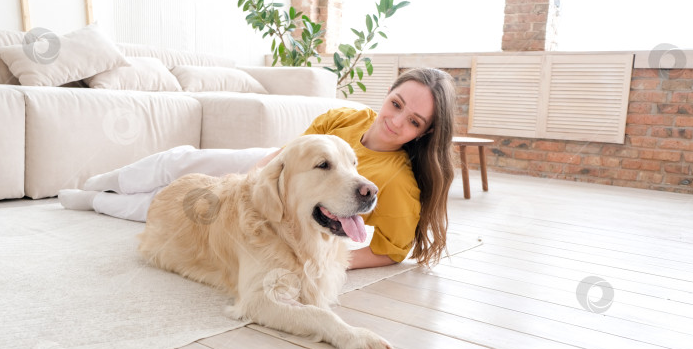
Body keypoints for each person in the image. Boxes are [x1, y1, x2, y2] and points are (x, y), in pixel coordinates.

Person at [59, 67, 457, 269]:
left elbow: (393, 252)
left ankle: (95, 201)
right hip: (269, 170)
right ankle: (108, 181)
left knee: (172, 208)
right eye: (397, 104)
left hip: (287, 211)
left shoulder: (398, 182)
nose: (397, 121)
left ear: (425, 132)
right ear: (388, 94)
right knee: (181, 161)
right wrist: (249, 183)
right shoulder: (346, 118)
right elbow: (291, 152)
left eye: (414, 122)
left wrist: (321, 260)